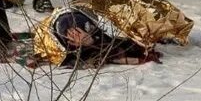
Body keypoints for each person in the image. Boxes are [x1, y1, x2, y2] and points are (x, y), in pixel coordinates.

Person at [32, 5, 160, 68]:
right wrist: (90, 44)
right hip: (59, 29)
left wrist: (94, 40)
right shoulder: (54, 39)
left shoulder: (95, 21)